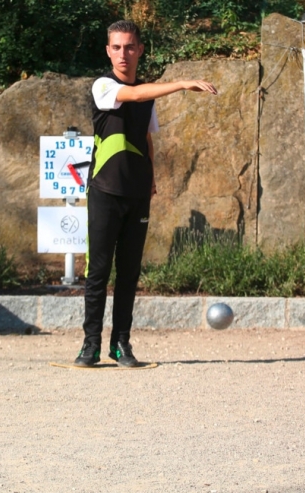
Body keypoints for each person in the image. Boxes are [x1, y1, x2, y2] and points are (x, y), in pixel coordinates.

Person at [75, 20, 217, 367]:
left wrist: (150, 179)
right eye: (116, 47)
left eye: (129, 46)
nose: (123, 53)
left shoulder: (147, 98)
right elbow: (135, 94)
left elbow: (147, 140)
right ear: (108, 51)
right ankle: (90, 344)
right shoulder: (103, 86)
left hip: (137, 193)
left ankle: (120, 343)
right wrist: (183, 83)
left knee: (129, 272)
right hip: (105, 191)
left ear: (139, 49)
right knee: (99, 271)